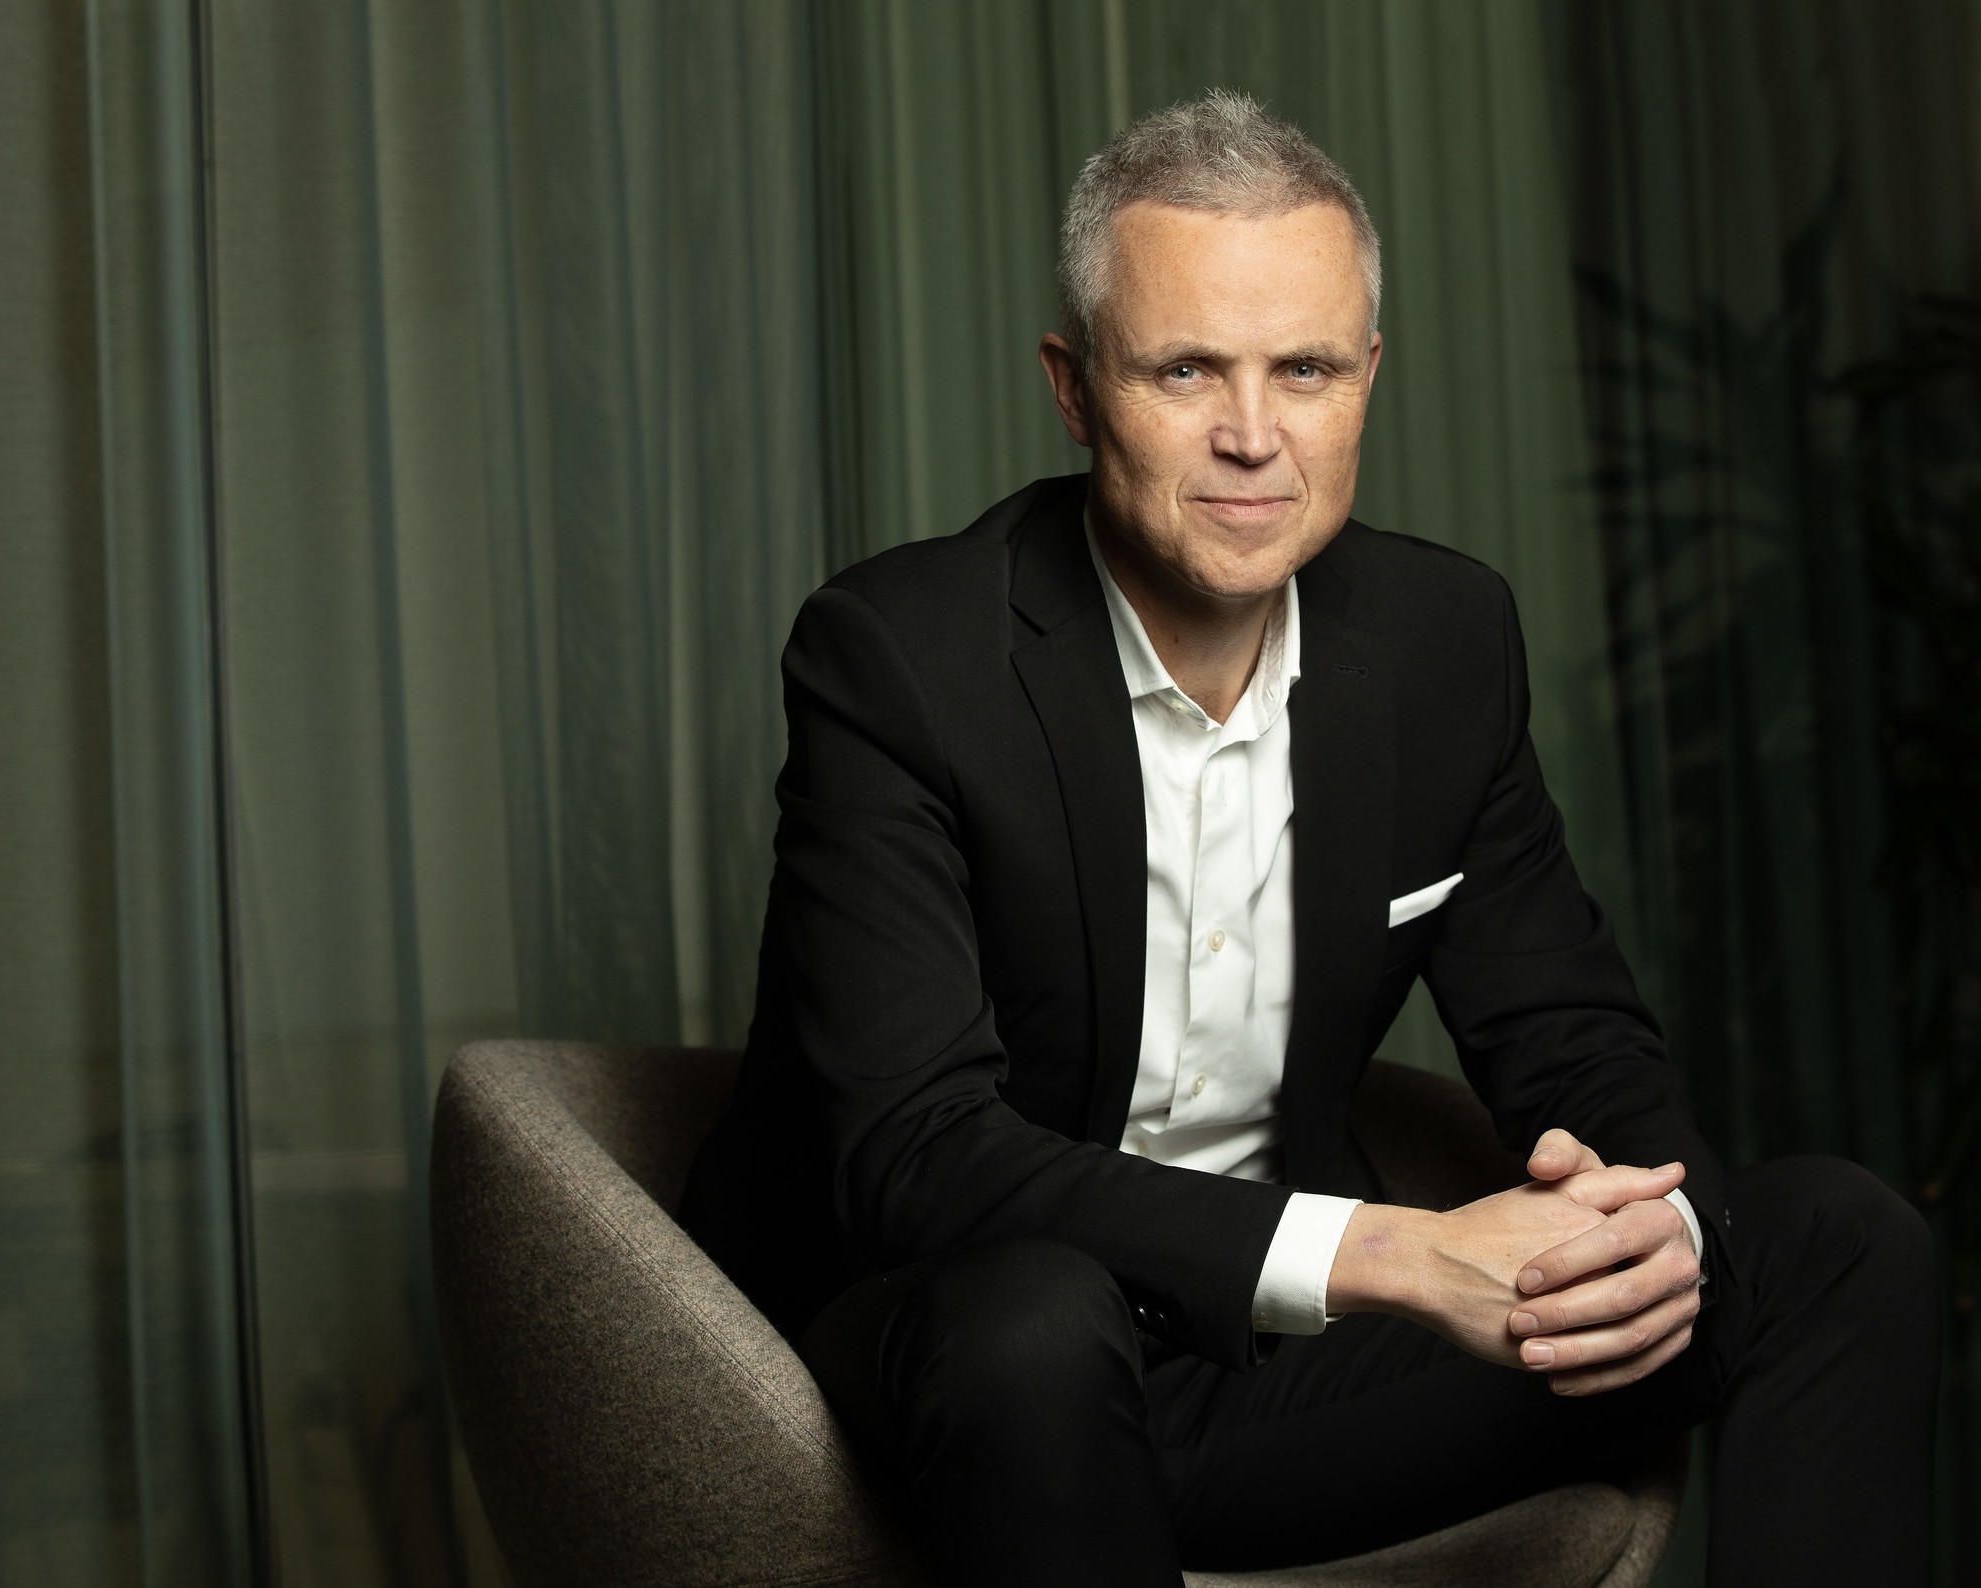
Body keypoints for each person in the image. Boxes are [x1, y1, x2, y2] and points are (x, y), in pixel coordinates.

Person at [680, 90, 1937, 1586]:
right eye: (1184, 369)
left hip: (1283, 1383)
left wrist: (1651, 1230)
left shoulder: (1440, 639)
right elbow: (917, 1154)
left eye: (1307, 370)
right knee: (1033, 1318)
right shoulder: (902, 657)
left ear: (1368, 378)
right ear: (1074, 388)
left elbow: (1567, 1032)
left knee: (1830, 1241)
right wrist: (1396, 1255)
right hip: (974, 1379)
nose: (1252, 437)